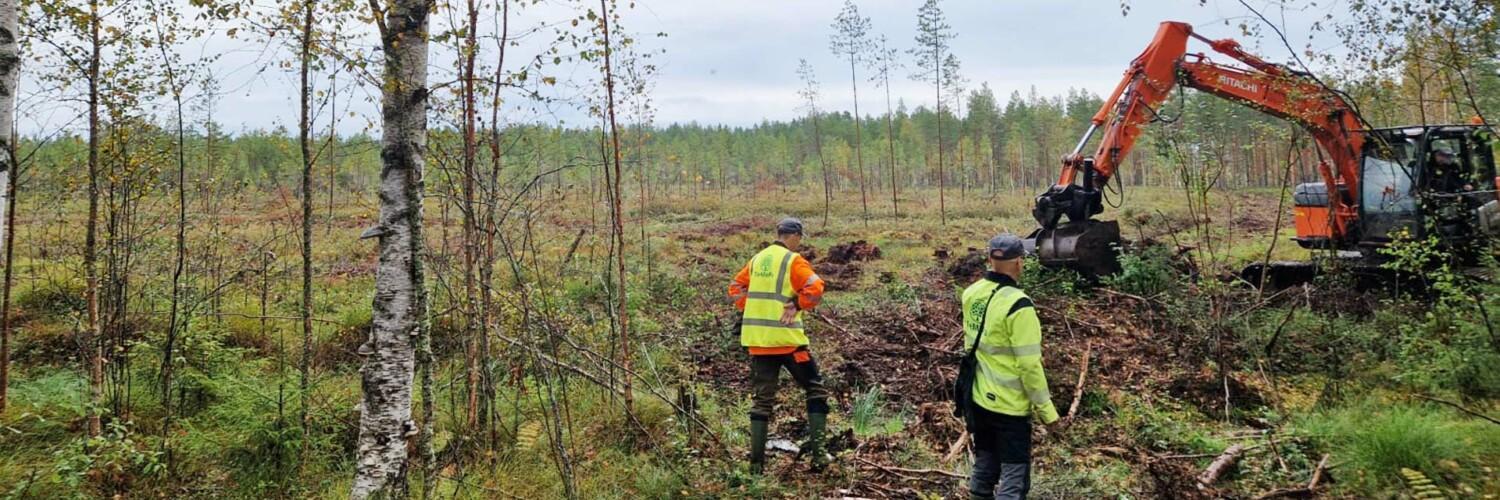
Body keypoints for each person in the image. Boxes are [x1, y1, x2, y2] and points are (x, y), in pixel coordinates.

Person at [959, 233, 1060, 500]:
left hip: (979, 400)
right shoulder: (1019, 305)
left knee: (984, 466)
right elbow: (1029, 367)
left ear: (990, 259)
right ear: (1019, 263)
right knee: (1014, 479)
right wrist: (1047, 412)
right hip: (1010, 408)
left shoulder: (971, 294)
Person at [727, 217, 828, 474]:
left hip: (760, 343)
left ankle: (756, 467)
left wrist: (749, 308)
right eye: (800, 239)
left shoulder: (758, 259)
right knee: (815, 390)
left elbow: (736, 287)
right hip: (789, 343)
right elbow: (815, 288)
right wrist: (797, 303)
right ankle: (819, 457)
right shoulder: (793, 260)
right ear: (795, 236)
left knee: (762, 402)